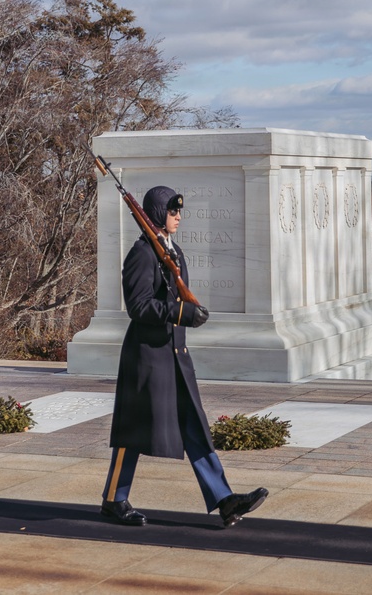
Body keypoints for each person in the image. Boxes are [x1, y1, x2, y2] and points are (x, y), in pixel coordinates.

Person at [100, 185, 268, 528]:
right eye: (172, 211)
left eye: (179, 211)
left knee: (194, 425)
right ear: (158, 214)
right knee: (133, 429)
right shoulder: (142, 253)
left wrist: (184, 313)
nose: (178, 217)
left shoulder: (170, 251)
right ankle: (114, 500)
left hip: (173, 353)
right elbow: (138, 306)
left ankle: (224, 499)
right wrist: (182, 313)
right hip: (147, 356)